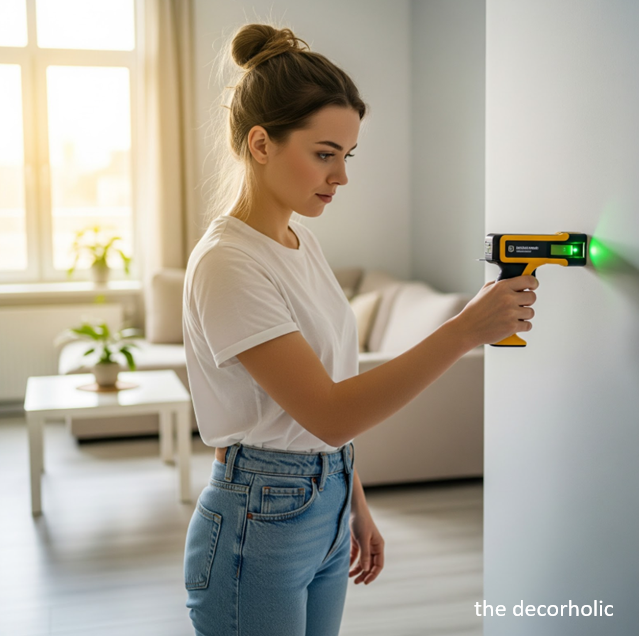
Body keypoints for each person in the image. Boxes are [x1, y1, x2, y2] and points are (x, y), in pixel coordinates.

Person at [181, 23, 538, 636]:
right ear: (261, 143)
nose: (341, 177)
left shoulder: (301, 242)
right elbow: (330, 412)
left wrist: (351, 502)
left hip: (324, 499)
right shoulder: (227, 262)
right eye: (324, 154)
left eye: (347, 156)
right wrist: (462, 331)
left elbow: (325, 403)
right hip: (258, 520)